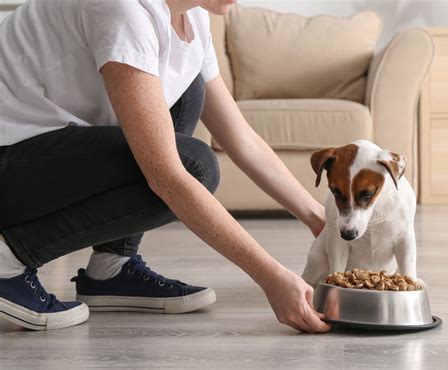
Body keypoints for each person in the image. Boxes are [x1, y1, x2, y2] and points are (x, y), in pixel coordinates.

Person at [0, 0, 330, 333]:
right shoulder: (123, 10)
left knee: (189, 87)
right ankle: (6, 261)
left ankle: (112, 266)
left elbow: (241, 138)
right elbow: (167, 177)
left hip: (38, 151)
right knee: (196, 167)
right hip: (8, 157)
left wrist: (319, 219)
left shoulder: (191, 15)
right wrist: (270, 276)